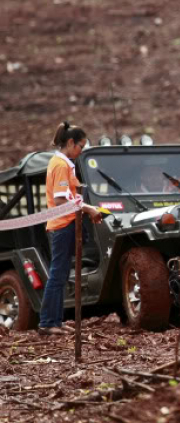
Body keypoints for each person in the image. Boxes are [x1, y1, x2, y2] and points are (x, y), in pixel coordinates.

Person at [40, 122, 102, 335]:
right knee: (57, 274)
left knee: (62, 273)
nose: (81, 151)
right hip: (62, 225)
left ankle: (56, 320)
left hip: (67, 224)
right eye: (80, 146)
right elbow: (59, 199)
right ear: (70, 143)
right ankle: (47, 322)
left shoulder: (65, 163)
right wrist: (87, 209)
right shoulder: (60, 165)